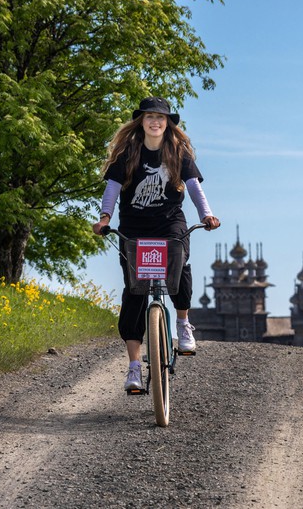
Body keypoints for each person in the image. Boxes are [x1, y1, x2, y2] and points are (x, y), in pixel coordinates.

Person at [92, 96, 221, 391]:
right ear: (141, 121)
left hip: (168, 223)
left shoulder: (177, 152)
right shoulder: (128, 153)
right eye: (150, 117)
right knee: (134, 292)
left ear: (167, 123)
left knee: (179, 263)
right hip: (134, 227)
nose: (155, 122)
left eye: (160, 117)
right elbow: (112, 189)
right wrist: (104, 218)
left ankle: (183, 324)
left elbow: (194, 187)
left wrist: (207, 215)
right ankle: (134, 367)